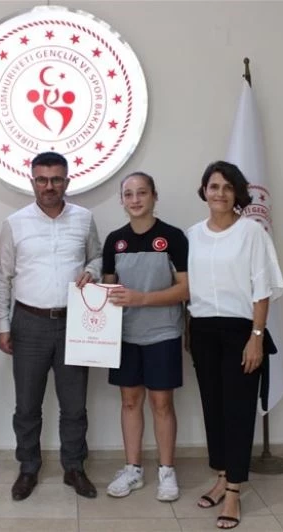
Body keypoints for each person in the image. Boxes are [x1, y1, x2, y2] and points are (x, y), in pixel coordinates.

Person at [0, 151, 102, 501]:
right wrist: (2, 325)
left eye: (56, 179)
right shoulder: (15, 223)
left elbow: (97, 256)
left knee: (75, 405)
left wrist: (94, 270)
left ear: (67, 181)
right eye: (42, 179)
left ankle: (74, 467)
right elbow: (2, 277)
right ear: (32, 182)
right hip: (28, 324)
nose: (49, 186)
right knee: (27, 406)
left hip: (74, 323)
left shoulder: (84, 219)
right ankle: (28, 468)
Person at [186, 161, 283, 530]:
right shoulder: (192, 235)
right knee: (213, 408)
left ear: (238, 193)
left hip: (241, 331)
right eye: (214, 186)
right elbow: (187, 287)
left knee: (239, 411)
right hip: (202, 331)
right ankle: (221, 476)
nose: (220, 193)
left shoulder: (251, 232)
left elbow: (262, 289)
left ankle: (233, 491)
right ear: (204, 191)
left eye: (228, 187)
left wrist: (256, 338)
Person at [101, 172, 189, 502]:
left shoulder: (173, 237)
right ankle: (133, 469)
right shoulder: (114, 240)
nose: (135, 199)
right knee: (129, 401)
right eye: (128, 194)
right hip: (125, 336)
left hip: (163, 333)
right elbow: (107, 288)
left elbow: (185, 289)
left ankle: (167, 470)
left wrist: (142, 299)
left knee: (161, 403)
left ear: (154, 196)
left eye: (142, 193)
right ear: (121, 200)